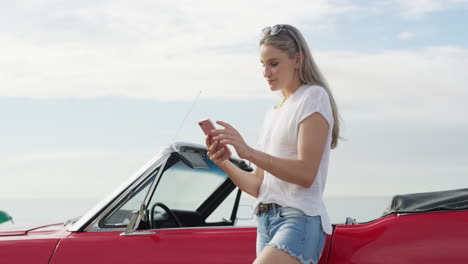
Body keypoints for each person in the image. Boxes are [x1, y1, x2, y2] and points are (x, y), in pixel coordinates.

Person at [206, 24, 341, 264]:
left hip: (299, 219)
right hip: (265, 221)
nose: (266, 72)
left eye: (274, 63)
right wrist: (223, 162)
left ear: (297, 60)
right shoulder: (272, 114)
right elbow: (258, 186)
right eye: (263, 64)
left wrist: (248, 152)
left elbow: (306, 174)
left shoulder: (313, 97)